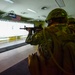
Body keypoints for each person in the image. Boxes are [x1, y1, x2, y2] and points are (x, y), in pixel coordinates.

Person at [26, 8, 75, 75]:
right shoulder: (72, 30)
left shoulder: (46, 32)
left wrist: (29, 32)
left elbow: (29, 40)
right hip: (70, 68)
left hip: (51, 69)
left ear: (50, 21)